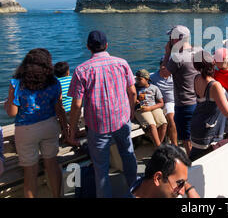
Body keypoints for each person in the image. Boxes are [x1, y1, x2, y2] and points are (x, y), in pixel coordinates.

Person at [67, 30, 138, 198]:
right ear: (107, 45)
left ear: (88, 47)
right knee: (128, 155)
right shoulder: (122, 63)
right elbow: (133, 92)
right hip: (122, 120)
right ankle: (135, 191)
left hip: (97, 127)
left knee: (101, 170)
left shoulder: (81, 70)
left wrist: (72, 129)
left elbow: (77, 105)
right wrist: (131, 112)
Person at [4, 48, 68, 198]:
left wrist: (8, 102)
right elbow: (60, 109)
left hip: (26, 130)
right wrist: (65, 129)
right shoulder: (54, 83)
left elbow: (12, 112)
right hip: (49, 126)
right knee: (52, 165)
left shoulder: (17, 84)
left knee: (30, 173)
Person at [163, 25, 200, 156]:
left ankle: (192, 166)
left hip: (185, 104)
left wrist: (167, 52)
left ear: (176, 40)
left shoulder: (177, 58)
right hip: (200, 100)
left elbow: (164, 74)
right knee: (199, 136)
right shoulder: (199, 51)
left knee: (187, 140)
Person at [128, 144, 200, 198]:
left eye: (184, 183)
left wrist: (190, 189)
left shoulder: (145, 182)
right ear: (158, 178)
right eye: (180, 184)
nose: (182, 192)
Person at [135, 69, 168, 147]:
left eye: (140, 79)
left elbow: (161, 103)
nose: (137, 81)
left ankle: (158, 145)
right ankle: (159, 148)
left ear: (146, 79)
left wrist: (150, 108)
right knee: (152, 125)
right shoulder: (134, 88)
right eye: (136, 79)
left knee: (164, 123)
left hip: (153, 107)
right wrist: (135, 101)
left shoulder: (154, 88)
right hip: (141, 109)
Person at [151, 57, 177, 146]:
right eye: (163, 64)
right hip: (166, 103)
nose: (164, 67)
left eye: (167, 65)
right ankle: (175, 145)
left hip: (178, 101)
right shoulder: (153, 78)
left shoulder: (175, 75)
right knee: (171, 118)